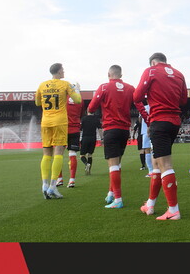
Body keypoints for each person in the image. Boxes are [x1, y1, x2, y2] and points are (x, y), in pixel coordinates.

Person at [134, 53, 189, 220]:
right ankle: (150, 204)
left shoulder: (151, 71)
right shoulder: (179, 74)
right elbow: (183, 99)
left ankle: (173, 210)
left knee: (165, 164)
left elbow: (136, 97)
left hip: (159, 121)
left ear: (153, 62)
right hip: (174, 122)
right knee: (157, 163)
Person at [86, 65, 136, 209]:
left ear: (109, 74)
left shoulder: (104, 87)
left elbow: (91, 108)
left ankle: (118, 199)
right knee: (116, 164)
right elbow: (138, 102)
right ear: (121, 75)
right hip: (124, 130)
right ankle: (111, 193)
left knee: (113, 165)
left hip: (111, 129)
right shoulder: (130, 88)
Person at [35, 63, 82, 199]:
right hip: (60, 122)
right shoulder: (65, 84)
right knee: (58, 153)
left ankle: (44, 185)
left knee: (46, 154)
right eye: (63, 70)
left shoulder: (42, 85)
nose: (64, 72)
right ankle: (53, 186)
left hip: (46, 122)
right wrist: (75, 89)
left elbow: (37, 103)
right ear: (59, 71)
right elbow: (77, 100)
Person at [56, 90, 84, 188]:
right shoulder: (80, 99)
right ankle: (72, 180)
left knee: (58, 154)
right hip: (75, 129)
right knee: (72, 154)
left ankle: (59, 179)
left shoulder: (62, 98)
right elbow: (81, 114)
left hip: (62, 129)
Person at [79, 108, 101, 175]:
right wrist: (102, 139)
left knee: (82, 155)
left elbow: (80, 129)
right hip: (93, 138)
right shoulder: (96, 119)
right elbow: (100, 129)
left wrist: (78, 138)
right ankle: (88, 171)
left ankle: (86, 164)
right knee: (90, 155)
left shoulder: (84, 119)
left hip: (85, 138)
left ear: (87, 111)